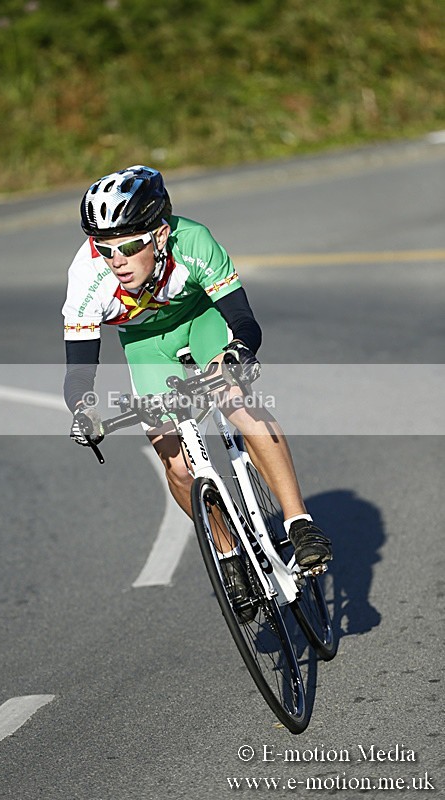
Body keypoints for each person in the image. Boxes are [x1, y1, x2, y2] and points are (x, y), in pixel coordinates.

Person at [62, 165, 332, 611]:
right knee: (176, 461)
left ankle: (299, 524)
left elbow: (244, 319)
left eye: (129, 247)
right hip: (146, 342)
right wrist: (83, 409)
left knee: (236, 400)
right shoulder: (88, 278)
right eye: (105, 249)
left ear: (161, 236)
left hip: (201, 318)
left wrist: (237, 351)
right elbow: (78, 371)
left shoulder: (193, 241)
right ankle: (228, 554)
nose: (116, 261)